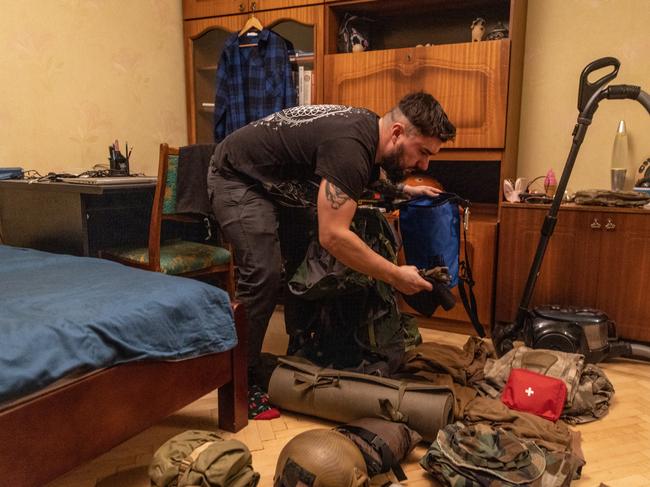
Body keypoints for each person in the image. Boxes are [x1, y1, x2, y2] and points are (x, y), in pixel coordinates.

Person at [207, 92, 456, 419]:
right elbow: (334, 236)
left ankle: (301, 350)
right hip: (237, 177)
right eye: (423, 152)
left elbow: (361, 179)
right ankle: (240, 381)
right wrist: (395, 275)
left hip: (274, 185)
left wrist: (405, 191)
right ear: (397, 132)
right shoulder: (351, 146)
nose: (424, 165)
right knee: (263, 274)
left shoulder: (367, 131)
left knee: (303, 266)